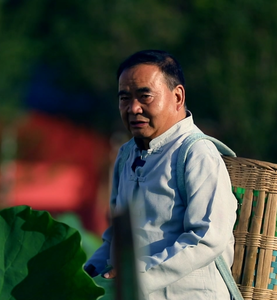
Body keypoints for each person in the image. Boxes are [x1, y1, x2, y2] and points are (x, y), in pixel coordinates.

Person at [85, 50, 237, 299]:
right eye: (125, 98)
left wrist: (138, 276)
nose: (133, 108)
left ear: (177, 96)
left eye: (145, 96)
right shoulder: (126, 154)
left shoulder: (197, 153)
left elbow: (208, 238)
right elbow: (117, 236)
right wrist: (87, 272)